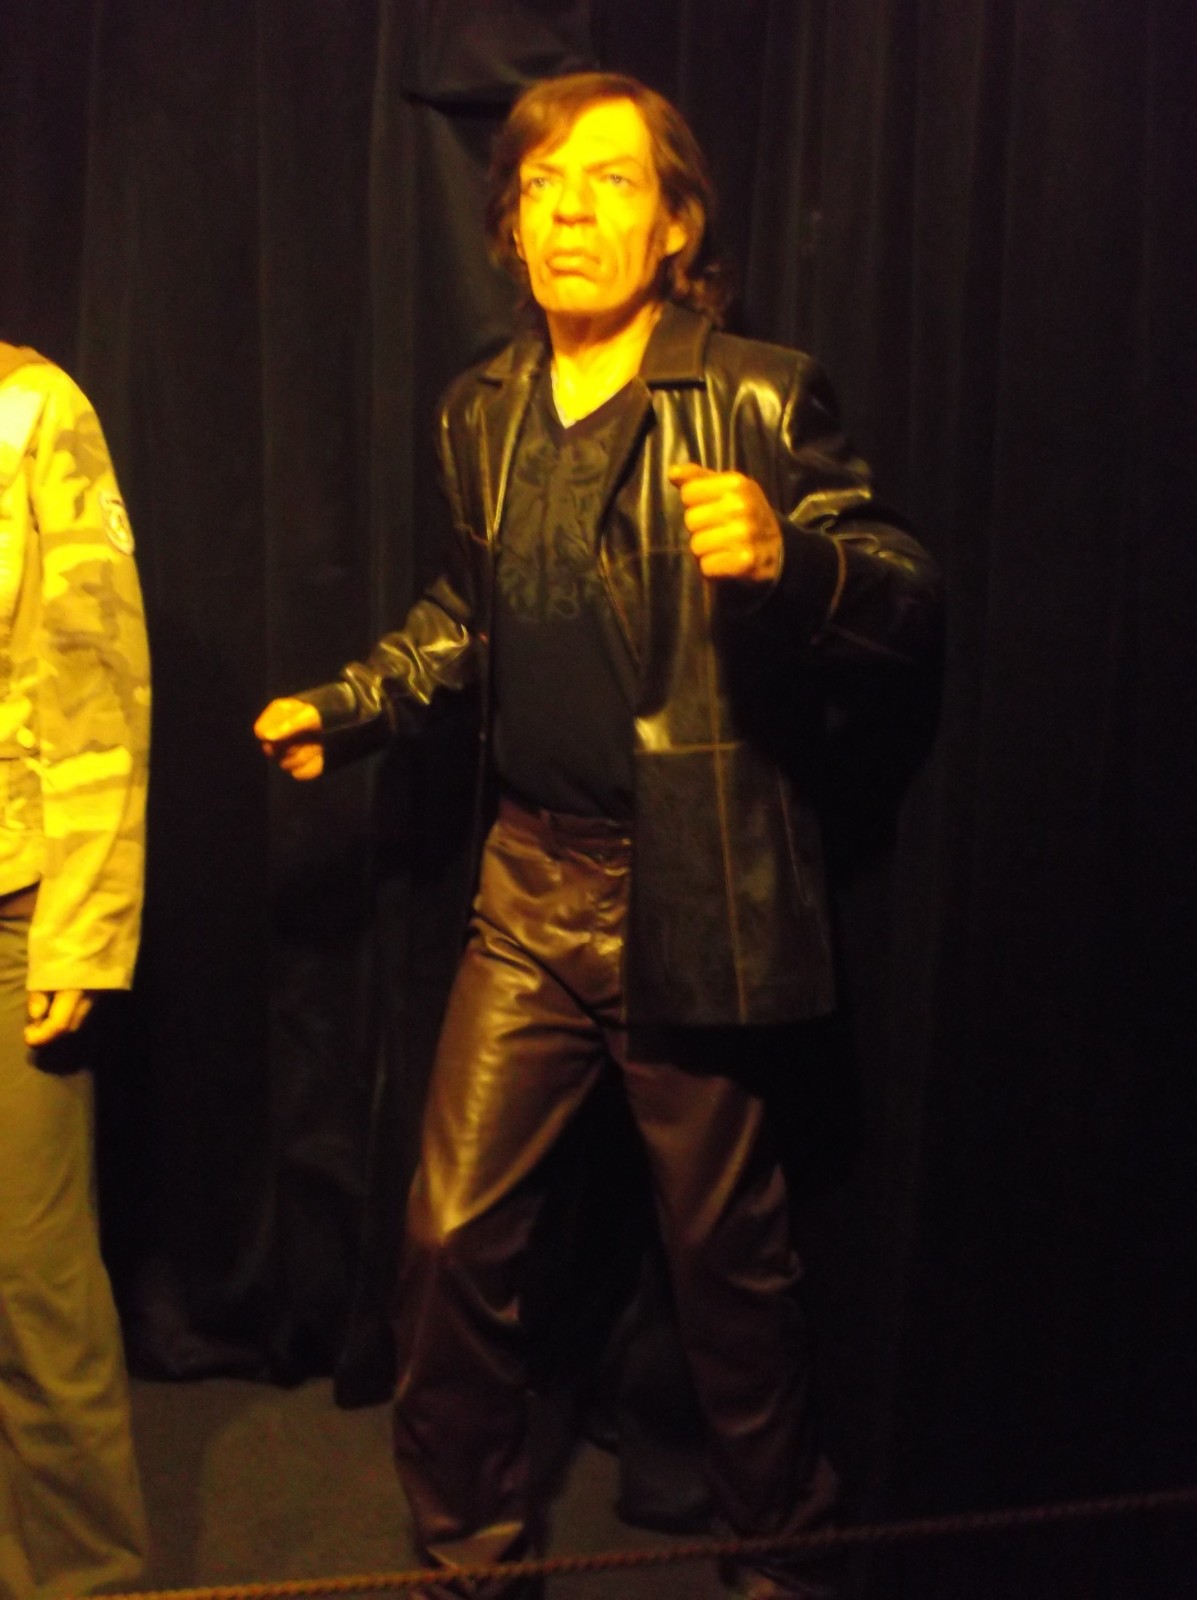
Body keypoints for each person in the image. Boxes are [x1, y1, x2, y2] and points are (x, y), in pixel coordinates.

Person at [256, 73, 941, 1600]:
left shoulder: (755, 395)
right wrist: (355, 704)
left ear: (676, 223)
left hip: (690, 892)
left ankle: (781, 1560)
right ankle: (474, 1562)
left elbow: (906, 596)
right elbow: (471, 615)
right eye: (542, 183)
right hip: (527, 885)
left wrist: (792, 557)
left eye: (612, 180)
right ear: (510, 224)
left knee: (728, 1273)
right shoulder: (483, 408)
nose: (570, 209)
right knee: (446, 1242)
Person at [0, 343, 151, 1599]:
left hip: (9, 909)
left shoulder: (33, 409)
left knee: (35, 1283)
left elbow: (95, 674)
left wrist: (85, 922)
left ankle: (81, 1579)